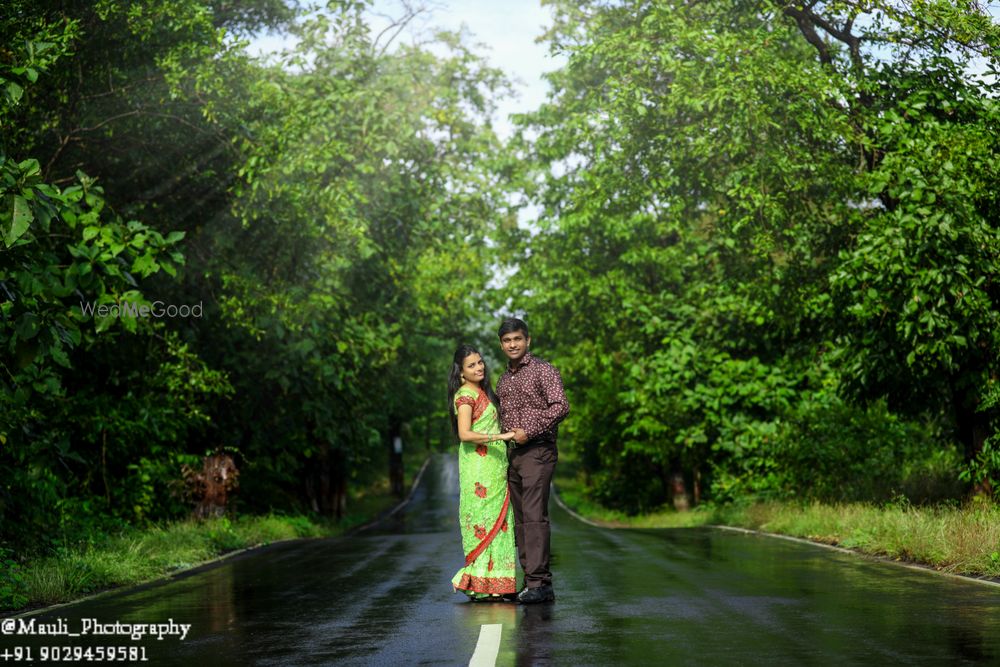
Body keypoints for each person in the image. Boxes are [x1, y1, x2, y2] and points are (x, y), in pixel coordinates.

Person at [496, 318, 569, 604]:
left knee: (534, 515)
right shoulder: (503, 380)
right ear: (501, 345)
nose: (512, 344)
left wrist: (532, 429)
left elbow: (561, 405)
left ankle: (540, 583)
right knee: (521, 518)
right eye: (506, 340)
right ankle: (531, 582)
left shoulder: (543, 370)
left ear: (528, 340)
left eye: (517, 339)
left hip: (539, 450)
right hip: (513, 454)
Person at [448, 344, 518, 602]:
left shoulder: (482, 392)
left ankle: (498, 583)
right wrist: (499, 436)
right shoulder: (465, 395)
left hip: (495, 466)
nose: (479, 368)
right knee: (483, 522)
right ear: (461, 372)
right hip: (478, 469)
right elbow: (464, 434)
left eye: (480, 362)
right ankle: (480, 582)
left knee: (499, 523)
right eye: (471, 365)